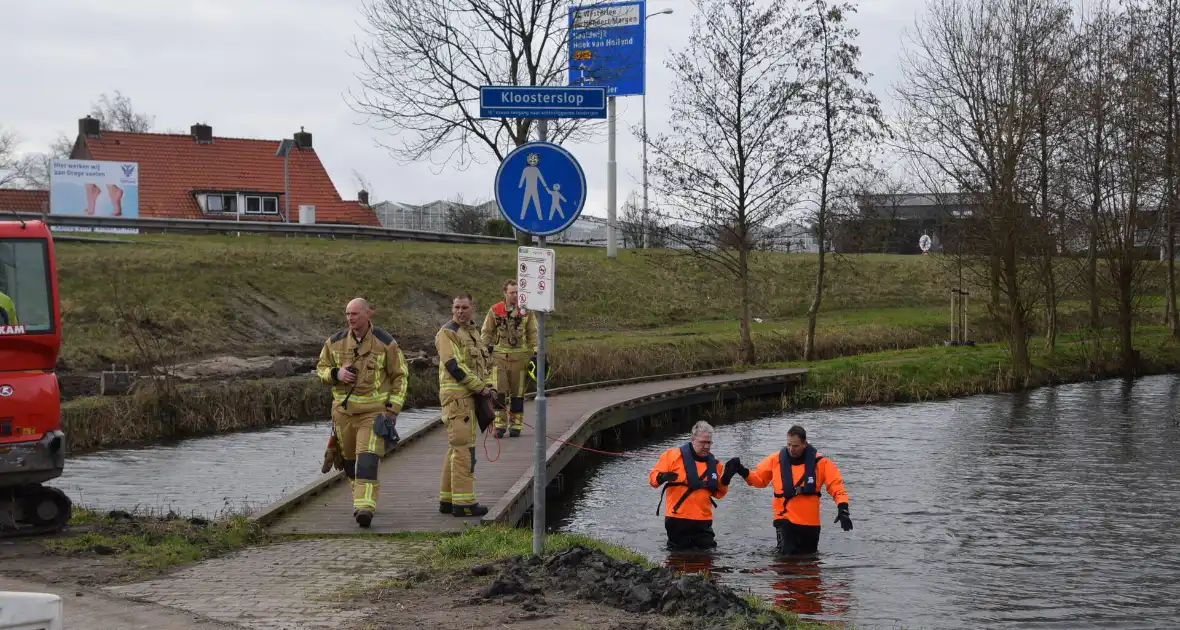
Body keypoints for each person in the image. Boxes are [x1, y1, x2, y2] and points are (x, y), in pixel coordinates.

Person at [315, 297, 408, 528]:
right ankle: (360, 501)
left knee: (366, 459)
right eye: (347, 314)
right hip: (343, 414)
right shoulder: (334, 342)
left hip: (373, 414)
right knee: (349, 464)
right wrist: (336, 374)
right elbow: (321, 369)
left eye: (355, 314)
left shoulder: (385, 342)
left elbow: (400, 376)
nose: (350, 318)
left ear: (369, 314)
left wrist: (393, 409)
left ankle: (365, 508)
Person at [726, 424, 852, 556]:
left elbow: (836, 487)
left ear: (805, 444)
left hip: (810, 523)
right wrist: (741, 470)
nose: (791, 449)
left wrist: (843, 510)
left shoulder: (821, 463)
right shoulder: (775, 460)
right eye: (789, 445)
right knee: (786, 560)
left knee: (810, 563)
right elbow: (759, 480)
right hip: (785, 519)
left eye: (795, 446)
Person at [437, 293, 496, 517]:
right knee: (464, 450)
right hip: (457, 399)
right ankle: (464, 504)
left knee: (456, 448)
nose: (460, 311)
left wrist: (490, 386)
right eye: (456, 307)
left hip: (470, 398)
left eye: (464, 307)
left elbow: (486, 365)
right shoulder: (447, 333)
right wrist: (480, 387)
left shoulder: (474, 334)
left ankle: (447, 498)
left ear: (473, 308)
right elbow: (454, 366)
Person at [648, 421, 735, 550]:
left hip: (703, 520)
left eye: (709, 443)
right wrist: (661, 477)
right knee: (677, 556)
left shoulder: (716, 465)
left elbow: (718, 494)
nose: (706, 446)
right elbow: (652, 480)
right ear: (693, 439)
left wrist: (726, 479)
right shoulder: (672, 456)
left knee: (708, 556)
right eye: (702, 442)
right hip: (677, 518)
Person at [480, 279, 538, 438]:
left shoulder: (527, 311)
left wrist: (536, 350)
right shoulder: (495, 310)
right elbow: (486, 332)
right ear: (505, 293)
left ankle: (516, 425)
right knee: (498, 392)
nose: (515, 295)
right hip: (499, 357)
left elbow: (533, 332)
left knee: (517, 394)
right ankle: (500, 425)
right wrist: (482, 350)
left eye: (518, 292)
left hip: (520, 358)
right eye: (512, 292)